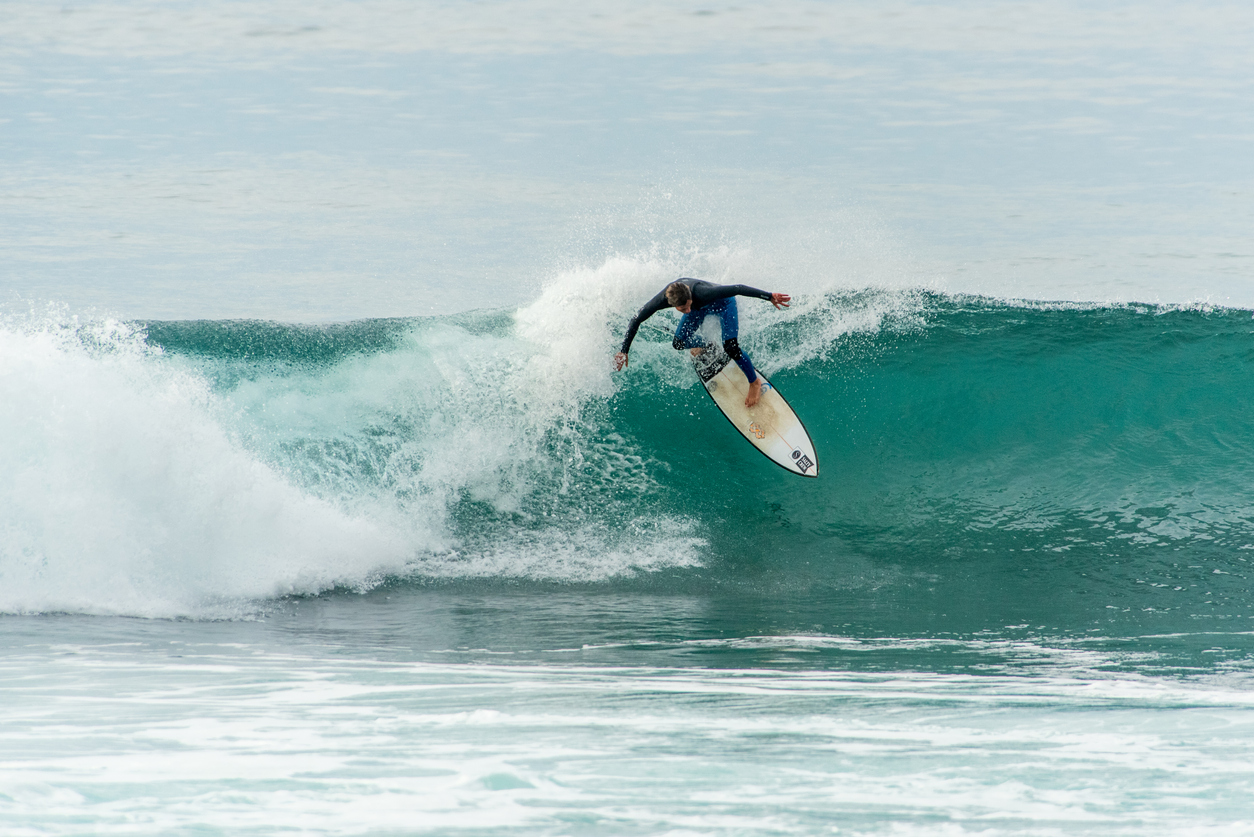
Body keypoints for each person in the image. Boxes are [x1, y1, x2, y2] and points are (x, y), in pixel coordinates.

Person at [614, 279, 791, 407]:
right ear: (672, 304)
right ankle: (708, 345)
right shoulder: (663, 300)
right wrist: (624, 350)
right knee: (679, 343)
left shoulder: (703, 293)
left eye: (688, 305)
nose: (687, 310)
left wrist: (769, 296)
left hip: (723, 305)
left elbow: (737, 288)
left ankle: (754, 382)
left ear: (689, 295)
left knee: (730, 347)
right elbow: (636, 319)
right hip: (701, 309)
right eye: (683, 309)